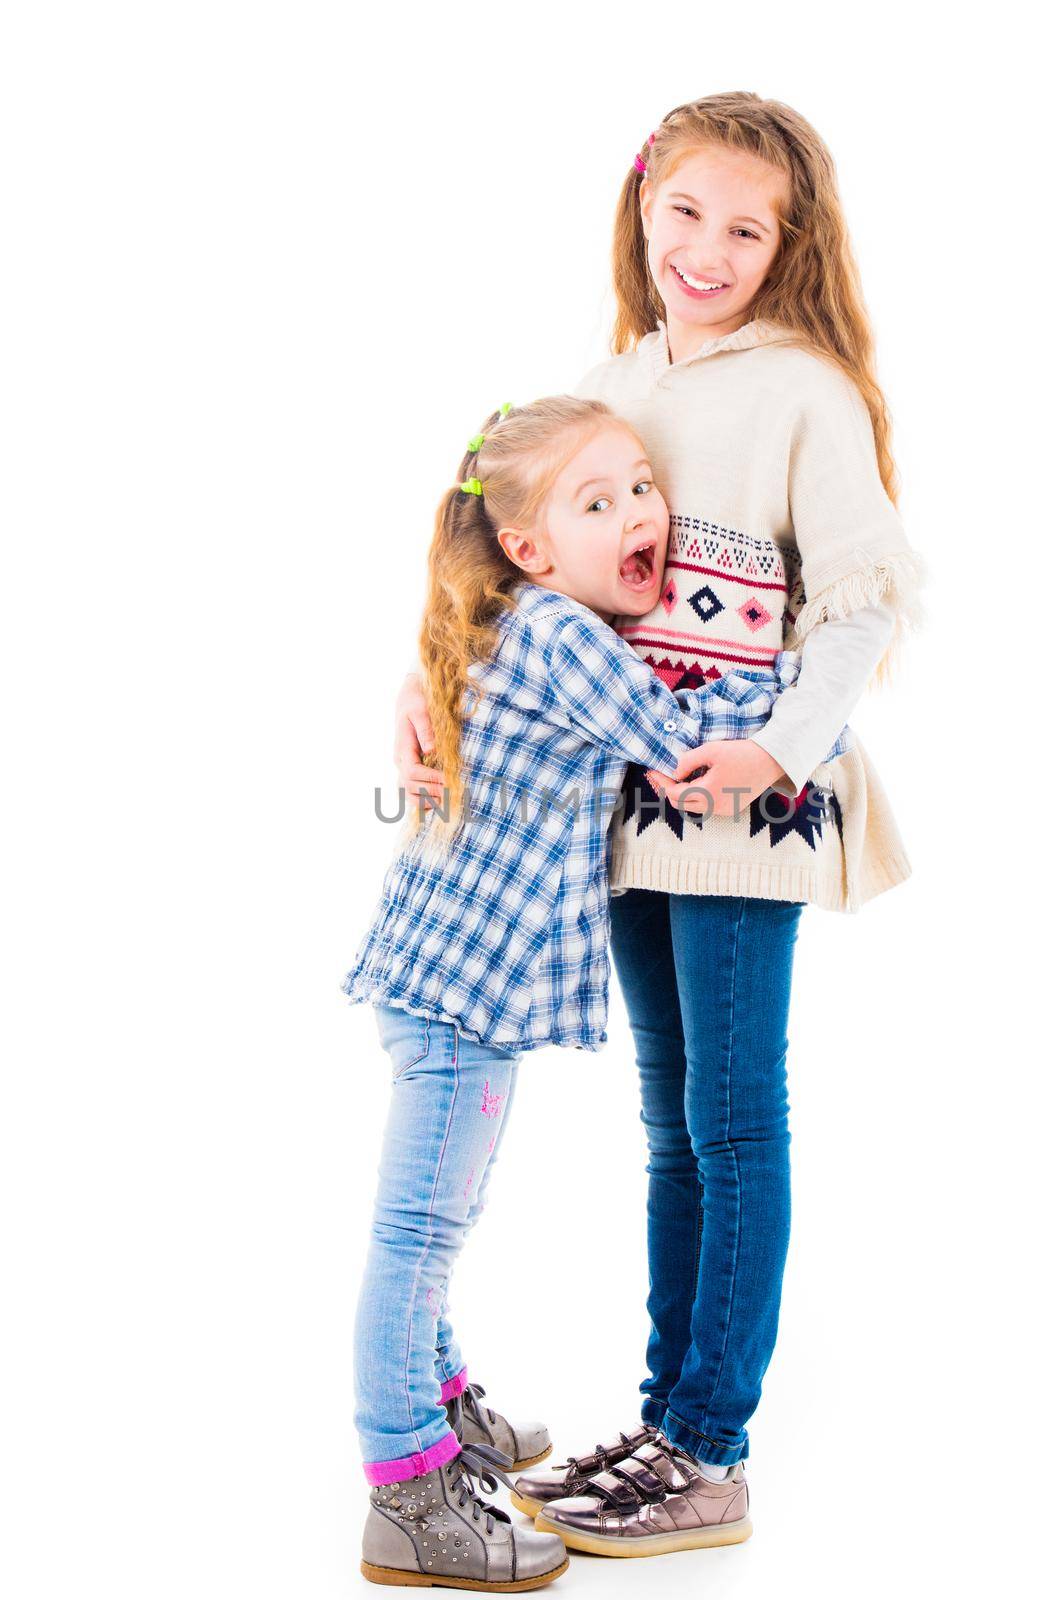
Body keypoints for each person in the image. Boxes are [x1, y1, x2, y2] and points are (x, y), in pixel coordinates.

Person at [393, 92, 924, 1559]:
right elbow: (511, 540)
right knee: (672, 1120)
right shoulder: (619, 374)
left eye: (745, 229)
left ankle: (710, 1447)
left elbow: (862, 598)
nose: (707, 248)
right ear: (642, 204)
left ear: (786, 244)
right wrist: (423, 681)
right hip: (625, 794)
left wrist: (776, 746)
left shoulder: (802, 392)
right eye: (684, 212)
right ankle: (665, 1418)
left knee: (735, 1116)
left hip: (743, 797)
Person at [346, 394, 813, 1587]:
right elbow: (674, 735)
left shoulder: (502, 616)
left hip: (439, 972)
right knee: (419, 1231)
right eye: (597, 502)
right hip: (466, 994)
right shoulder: (564, 637)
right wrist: (804, 705)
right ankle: (405, 1479)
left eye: (643, 484)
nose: (641, 513)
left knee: (437, 1221)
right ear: (529, 547)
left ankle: (439, 1402)